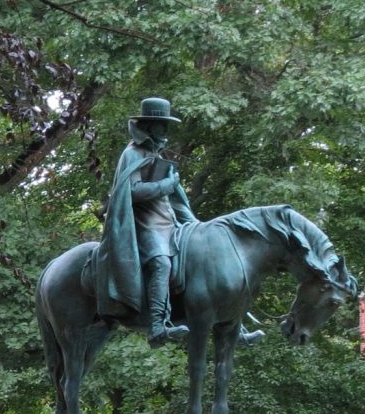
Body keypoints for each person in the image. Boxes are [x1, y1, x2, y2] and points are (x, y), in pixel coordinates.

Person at [95, 97, 263, 350]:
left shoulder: (157, 154)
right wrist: (166, 185)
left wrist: (197, 225)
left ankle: (236, 328)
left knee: (209, 262)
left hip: (170, 222)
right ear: (149, 126)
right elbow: (132, 191)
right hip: (145, 225)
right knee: (161, 263)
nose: (165, 130)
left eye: (167, 125)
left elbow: (176, 200)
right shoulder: (132, 153)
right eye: (162, 125)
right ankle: (157, 326)